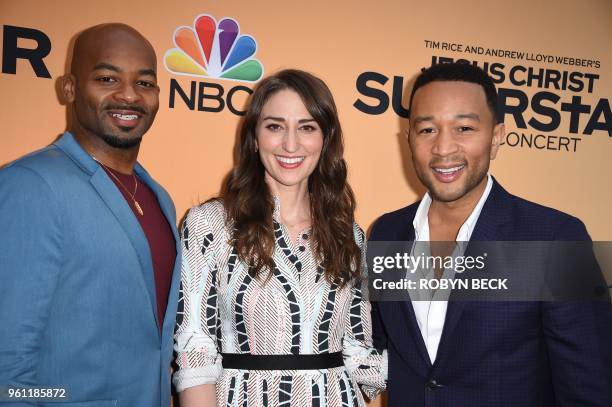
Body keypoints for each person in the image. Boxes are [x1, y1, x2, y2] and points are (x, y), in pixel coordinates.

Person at [369, 62, 612, 406]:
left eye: (464, 128)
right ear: (408, 138)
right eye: (427, 130)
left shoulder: (555, 238)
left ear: (496, 137)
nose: (443, 148)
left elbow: (590, 387)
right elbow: (378, 346)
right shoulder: (386, 233)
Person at [174, 69, 386, 406]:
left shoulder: (350, 236)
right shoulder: (209, 225)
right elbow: (195, 350)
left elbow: (360, 352)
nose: (291, 144)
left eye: (307, 127)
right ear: (255, 136)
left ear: (325, 138)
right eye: (275, 126)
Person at [0, 24, 180, 406]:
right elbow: (6, 367)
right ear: (68, 88)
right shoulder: (30, 185)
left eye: (144, 83)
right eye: (107, 78)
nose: (129, 95)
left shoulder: (158, 197)